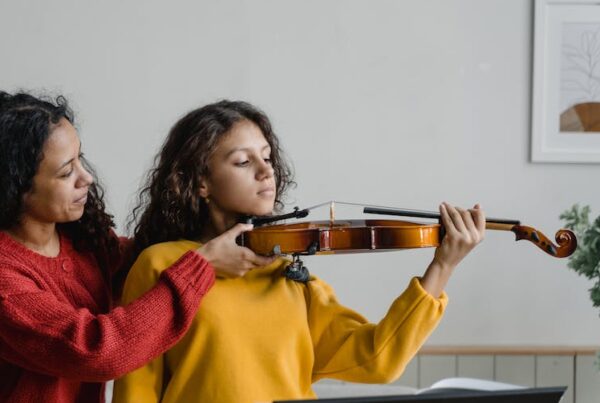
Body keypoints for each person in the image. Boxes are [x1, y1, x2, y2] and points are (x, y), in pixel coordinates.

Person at [113, 100, 486, 403]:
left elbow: (378, 360)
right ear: (199, 183)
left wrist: (443, 265)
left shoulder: (287, 269)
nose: (266, 172)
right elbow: (136, 392)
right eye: (244, 162)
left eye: (267, 158)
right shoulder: (164, 264)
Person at [0, 92, 273, 403]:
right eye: (66, 172)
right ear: (13, 188)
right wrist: (203, 266)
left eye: (81, 159)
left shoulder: (82, 242)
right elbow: (96, 352)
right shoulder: (6, 282)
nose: (87, 177)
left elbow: (146, 258)